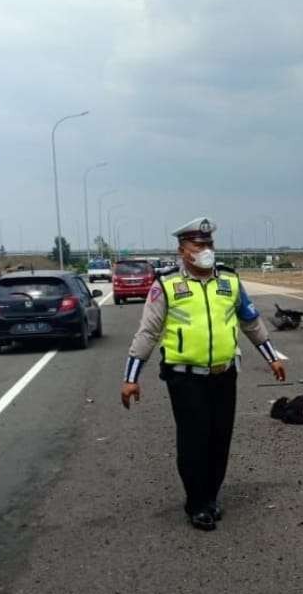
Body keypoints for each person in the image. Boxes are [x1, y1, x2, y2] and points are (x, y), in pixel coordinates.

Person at [120, 217, 286, 531]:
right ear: (183, 251)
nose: (205, 250)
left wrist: (271, 357)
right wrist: (131, 377)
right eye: (198, 245)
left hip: (224, 374)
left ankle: (210, 496)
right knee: (194, 439)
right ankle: (197, 503)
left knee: (219, 438)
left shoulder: (230, 281)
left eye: (209, 244)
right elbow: (148, 333)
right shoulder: (166, 285)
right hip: (184, 378)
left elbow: (250, 321)